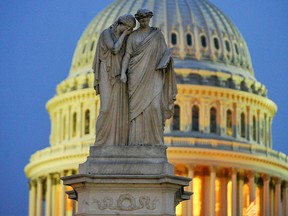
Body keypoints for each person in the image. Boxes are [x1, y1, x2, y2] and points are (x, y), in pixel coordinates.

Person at [120, 8, 177, 146]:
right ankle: (135, 141)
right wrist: (122, 72)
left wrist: (167, 62)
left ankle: (155, 141)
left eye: (146, 19)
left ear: (149, 19)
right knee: (135, 110)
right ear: (138, 20)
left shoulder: (157, 35)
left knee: (154, 107)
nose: (144, 21)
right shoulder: (133, 36)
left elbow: (164, 53)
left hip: (154, 74)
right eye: (142, 20)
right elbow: (127, 55)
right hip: (136, 75)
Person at [92, 14, 136, 146]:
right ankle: (100, 142)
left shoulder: (127, 38)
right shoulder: (106, 33)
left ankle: (117, 142)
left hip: (119, 75)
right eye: (129, 28)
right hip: (107, 72)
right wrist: (123, 35)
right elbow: (114, 49)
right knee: (105, 109)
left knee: (119, 110)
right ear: (121, 24)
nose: (130, 32)